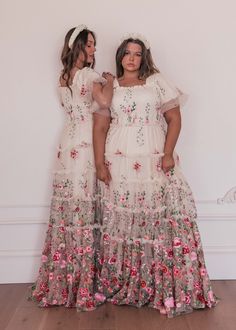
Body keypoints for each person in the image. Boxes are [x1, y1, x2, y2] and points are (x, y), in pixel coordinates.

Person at [93, 33, 218, 317]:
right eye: (127, 52)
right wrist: (100, 162)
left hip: (153, 156)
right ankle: (129, 282)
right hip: (119, 159)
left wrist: (168, 152)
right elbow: (100, 126)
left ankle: (159, 282)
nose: (132, 58)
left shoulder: (156, 82)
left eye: (137, 53)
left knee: (157, 216)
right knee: (126, 219)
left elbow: (174, 119)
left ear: (144, 57)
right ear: (120, 56)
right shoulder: (110, 85)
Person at [30, 25, 114, 311]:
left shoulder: (64, 76)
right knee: (84, 204)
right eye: (89, 44)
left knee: (71, 205)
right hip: (85, 142)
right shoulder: (90, 75)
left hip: (68, 142)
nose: (93, 49)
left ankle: (66, 277)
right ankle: (84, 282)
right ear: (77, 45)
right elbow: (104, 101)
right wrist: (109, 81)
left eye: (94, 45)